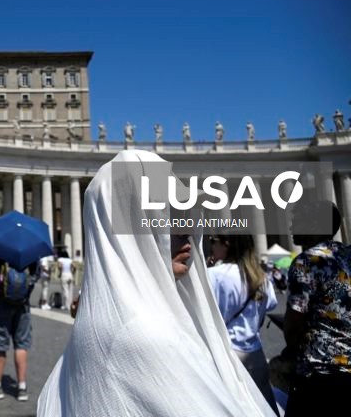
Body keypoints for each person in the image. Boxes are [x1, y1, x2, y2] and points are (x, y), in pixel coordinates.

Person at [37, 150, 275, 417]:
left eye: (182, 211)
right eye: (164, 212)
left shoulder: (102, 323)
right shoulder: (142, 334)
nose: (186, 228)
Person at [283, 201, 350, 417]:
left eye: (297, 222)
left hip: (319, 368)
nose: (291, 227)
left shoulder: (306, 262)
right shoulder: (347, 255)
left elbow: (295, 320)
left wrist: (291, 348)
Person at [207, 234, 279, 412]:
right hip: (255, 353)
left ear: (226, 244)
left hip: (226, 353)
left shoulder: (214, 275)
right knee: (264, 407)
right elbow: (265, 312)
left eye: (212, 242)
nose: (211, 247)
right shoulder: (262, 278)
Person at [0, 254, 39, 402]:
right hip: (23, 305)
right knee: (21, 345)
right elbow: (35, 276)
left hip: (1, 303)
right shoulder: (29, 249)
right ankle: (22, 388)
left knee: (0, 344)